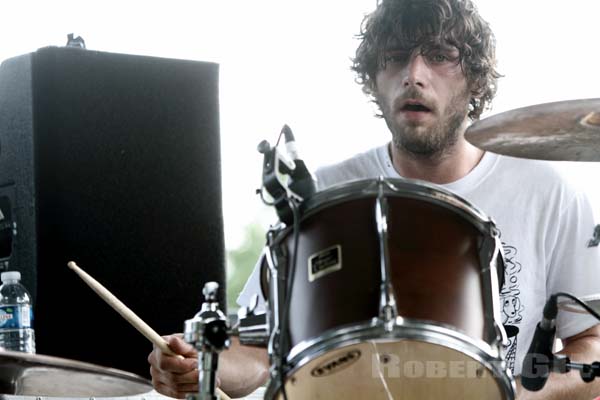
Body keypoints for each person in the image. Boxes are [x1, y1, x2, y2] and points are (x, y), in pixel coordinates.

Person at [148, 0, 600, 398]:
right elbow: (260, 350)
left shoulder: (548, 193)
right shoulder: (326, 196)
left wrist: (507, 396)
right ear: (373, 78)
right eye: (395, 57)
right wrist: (197, 364)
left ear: (475, 80)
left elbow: (593, 351)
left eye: (440, 56)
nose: (413, 75)